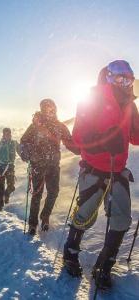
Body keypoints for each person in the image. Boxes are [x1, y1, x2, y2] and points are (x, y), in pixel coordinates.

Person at [63, 60, 138, 289]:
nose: (125, 83)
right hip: (94, 169)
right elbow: (79, 137)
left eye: (129, 79)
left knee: (121, 219)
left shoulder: (130, 105)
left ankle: (103, 267)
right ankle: (70, 253)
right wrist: (106, 141)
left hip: (118, 171)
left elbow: (136, 137)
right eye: (120, 78)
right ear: (108, 77)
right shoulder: (91, 100)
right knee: (85, 215)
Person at [20, 99, 79, 235]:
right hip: (38, 166)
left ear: (55, 109)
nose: (49, 110)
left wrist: (84, 151)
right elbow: (23, 141)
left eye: (51, 108)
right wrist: (26, 153)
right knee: (37, 194)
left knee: (53, 192)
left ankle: (45, 217)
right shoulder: (35, 126)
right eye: (46, 108)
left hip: (53, 166)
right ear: (42, 109)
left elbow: (70, 143)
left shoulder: (59, 126)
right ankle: (33, 224)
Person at [0, 128, 19, 211]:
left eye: (8, 134)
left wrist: (28, 159)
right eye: (5, 134)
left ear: (10, 134)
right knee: (0, 186)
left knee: (11, 186)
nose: (7, 135)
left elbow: (21, 152)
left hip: (10, 167)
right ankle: (0, 205)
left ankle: (6, 194)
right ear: (3, 134)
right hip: (0, 168)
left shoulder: (14, 143)